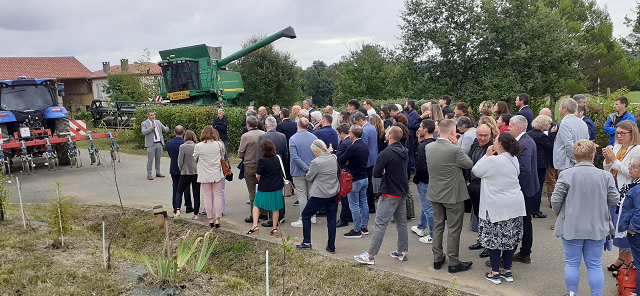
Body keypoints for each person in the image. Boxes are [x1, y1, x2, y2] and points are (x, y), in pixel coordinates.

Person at [552, 140, 619, 296]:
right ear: (592, 156)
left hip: (572, 225)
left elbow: (556, 200)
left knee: (572, 263)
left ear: (575, 156)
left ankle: (571, 293)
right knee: (595, 265)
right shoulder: (605, 176)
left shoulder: (566, 174)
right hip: (597, 227)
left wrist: (558, 212)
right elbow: (614, 199)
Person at [472, 132, 527, 285]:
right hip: (514, 204)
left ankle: (495, 272)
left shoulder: (494, 161)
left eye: (495, 141)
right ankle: (507, 270)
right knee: (510, 239)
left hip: (496, 206)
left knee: (494, 240)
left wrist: (487, 156)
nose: (493, 143)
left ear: (500, 144)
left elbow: (476, 171)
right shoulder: (514, 159)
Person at [354, 126, 410, 264]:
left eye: (387, 133)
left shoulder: (386, 153)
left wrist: (385, 172)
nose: (385, 134)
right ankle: (401, 252)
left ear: (390, 136)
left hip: (390, 192)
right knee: (401, 223)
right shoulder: (404, 151)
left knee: (380, 223)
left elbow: (376, 173)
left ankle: (371, 255)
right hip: (402, 191)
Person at [426, 119, 474, 273]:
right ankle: (454, 262)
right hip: (453, 194)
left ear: (439, 130)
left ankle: (437, 258)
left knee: (438, 226)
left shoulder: (428, 147)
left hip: (435, 192)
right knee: (453, 229)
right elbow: (468, 164)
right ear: (453, 132)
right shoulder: (455, 149)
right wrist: (458, 147)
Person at [603, 120, 640, 276]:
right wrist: (607, 159)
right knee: (616, 224)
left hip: (627, 191)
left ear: (632, 134)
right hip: (614, 189)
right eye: (617, 132)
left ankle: (628, 261)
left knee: (625, 225)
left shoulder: (637, 150)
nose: (619, 135)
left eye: (622, 133)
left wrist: (613, 160)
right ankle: (621, 258)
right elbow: (607, 168)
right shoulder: (617, 146)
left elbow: (631, 172)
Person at [296, 139, 340, 253]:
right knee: (331, 220)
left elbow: (309, 178)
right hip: (333, 192)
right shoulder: (334, 158)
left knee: (306, 215)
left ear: (316, 150)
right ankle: (331, 246)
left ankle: (306, 242)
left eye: (313, 151)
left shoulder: (316, 162)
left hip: (319, 194)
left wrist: (310, 171)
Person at [509, 115, 540, 265]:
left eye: (510, 126)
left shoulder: (524, 143)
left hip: (524, 189)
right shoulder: (525, 140)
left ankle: (523, 253)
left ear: (519, 128)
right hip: (528, 188)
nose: (509, 129)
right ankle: (524, 252)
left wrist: (516, 187)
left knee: (523, 222)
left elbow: (525, 169)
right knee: (525, 221)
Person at [465, 124, 495, 258]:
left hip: (486, 187)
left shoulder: (494, 148)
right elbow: (468, 163)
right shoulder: (474, 145)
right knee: (478, 214)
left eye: (485, 135)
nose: (482, 138)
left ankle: (489, 245)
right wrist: (467, 180)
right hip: (473, 185)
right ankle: (481, 240)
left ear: (490, 135)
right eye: (480, 135)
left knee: (488, 217)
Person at [247, 139, 285, 238]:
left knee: (256, 205)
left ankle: (254, 226)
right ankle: (274, 229)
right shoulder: (278, 158)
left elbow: (258, 175)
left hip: (264, 187)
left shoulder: (262, 161)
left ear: (262, 149)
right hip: (277, 186)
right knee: (275, 208)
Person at [257, 116, 289, 227]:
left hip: (267, 169)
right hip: (279, 166)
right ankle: (281, 216)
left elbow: (259, 156)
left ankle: (272, 219)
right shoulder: (282, 136)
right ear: (275, 125)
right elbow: (285, 153)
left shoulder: (262, 137)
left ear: (266, 125)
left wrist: (260, 170)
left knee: (271, 193)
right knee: (279, 192)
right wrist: (283, 165)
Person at [340, 124, 370, 238]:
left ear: (352, 134)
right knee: (363, 202)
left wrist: (348, 161)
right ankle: (364, 227)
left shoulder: (352, 147)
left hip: (355, 179)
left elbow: (341, 159)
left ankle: (356, 230)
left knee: (354, 205)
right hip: (364, 177)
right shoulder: (365, 145)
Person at [194, 126, 225, 229]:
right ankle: (218, 219)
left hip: (204, 174)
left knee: (207, 196)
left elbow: (195, 157)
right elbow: (223, 155)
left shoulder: (198, 146)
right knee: (217, 196)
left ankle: (210, 219)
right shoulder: (219, 144)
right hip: (216, 173)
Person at [289, 118, 318, 227]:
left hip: (298, 171)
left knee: (302, 195)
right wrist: (309, 167)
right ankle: (313, 216)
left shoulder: (293, 139)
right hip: (312, 169)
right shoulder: (314, 137)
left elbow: (294, 157)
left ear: (298, 124)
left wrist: (305, 167)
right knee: (312, 194)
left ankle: (303, 218)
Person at [412, 119, 437, 244]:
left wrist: (416, 179)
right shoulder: (435, 143)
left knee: (428, 208)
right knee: (426, 206)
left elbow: (421, 165)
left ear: (425, 130)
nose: (419, 129)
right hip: (433, 179)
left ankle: (432, 235)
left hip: (424, 181)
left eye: (421, 127)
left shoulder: (423, 147)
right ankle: (421, 226)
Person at [618, 159, 640, 293]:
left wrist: (632, 228)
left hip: (636, 233)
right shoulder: (635, 185)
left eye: (634, 167)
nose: (630, 168)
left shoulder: (638, 189)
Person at [238, 116, 266, 223]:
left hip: (249, 165)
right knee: (263, 190)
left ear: (248, 125)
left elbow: (240, 153)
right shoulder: (263, 134)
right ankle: (264, 213)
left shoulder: (245, 136)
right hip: (263, 165)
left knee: (252, 192)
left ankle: (254, 215)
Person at [527, 115, 555, 219]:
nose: (550, 125)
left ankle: (529, 208)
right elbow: (550, 146)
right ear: (543, 124)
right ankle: (535, 209)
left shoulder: (529, 133)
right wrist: (551, 135)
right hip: (541, 163)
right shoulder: (542, 136)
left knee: (531, 186)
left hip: (531, 162)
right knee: (538, 187)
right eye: (548, 123)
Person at [553, 99, 589, 171]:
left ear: (565, 109)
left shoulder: (565, 124)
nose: (559, 109)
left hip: (567, 164)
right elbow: (587, 142)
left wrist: (576, 160)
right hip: (580, 162)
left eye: (560, 107)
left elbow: (568, 144)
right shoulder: (582, 123)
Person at [353, 111, 378, 214]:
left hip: (366, 160)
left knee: (367, 185)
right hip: (373, 158)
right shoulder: (372, 127)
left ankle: (369, 205)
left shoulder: (363, 131)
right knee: (370, 183)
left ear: (360, 120)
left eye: (355, 122)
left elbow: (363, 147)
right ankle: (371, 205)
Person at [166, 125, 190, 218]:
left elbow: (170, 155)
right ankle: (188, 206)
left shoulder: (169, 143)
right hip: (184, 169)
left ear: (174, 133)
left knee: (175, 188)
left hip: (174, 168)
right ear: (183, 132)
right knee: (186, 187)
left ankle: (176, 206)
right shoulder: (185, 143)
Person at [177, 130, 200, 220]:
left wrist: (181, 169)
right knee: (196, 193)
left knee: (179, 191)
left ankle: (178, 209)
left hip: (186, 172)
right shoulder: (197, 146)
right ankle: (195, 214)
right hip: (196, 172)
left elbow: (180, 161)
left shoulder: (182, 147)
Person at [334, 123, 354, 228]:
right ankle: (350, 215)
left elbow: (339, 158)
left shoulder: (344, 143)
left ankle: (344, 218)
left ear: (342, 133)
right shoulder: (351, 141)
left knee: (344, 194)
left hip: (344, 172)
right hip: (351, 171)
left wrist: (332, 153)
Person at [141, 110, 169, 180]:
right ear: (148, 116)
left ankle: (158, 172)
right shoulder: (144, 123)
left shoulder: (158, 122)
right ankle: (149, 174)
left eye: (153, 115)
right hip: (151, 144)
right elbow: (144, 132)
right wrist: (152, 127)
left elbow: (164, 129)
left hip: (159, 143)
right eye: (151, 115)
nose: (153, 116)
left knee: (158, 159)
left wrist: (166, 129)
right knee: (150, 160)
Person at [369, 114, 387, 197]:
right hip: (382, 154)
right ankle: (380, 191)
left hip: (374, 155)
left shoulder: (372, 132)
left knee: (374, 175)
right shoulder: (383, 132)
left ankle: (375, 192)